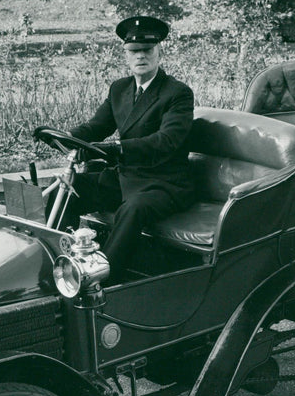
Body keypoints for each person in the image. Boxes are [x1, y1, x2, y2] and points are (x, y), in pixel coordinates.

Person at [53, 15, 195, 282]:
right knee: (73, 189)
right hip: (126, 178)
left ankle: (102, 277)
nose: (141, 56)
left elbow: (166, 141)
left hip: (165, 184)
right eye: (134, 51)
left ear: (159, 52)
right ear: (126, 55)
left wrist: (116, 148)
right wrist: (67, 137)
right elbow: (96, 126)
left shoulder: (177, 93)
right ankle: (57, 264)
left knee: (134, 208)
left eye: (147, 50)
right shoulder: (120, 88)